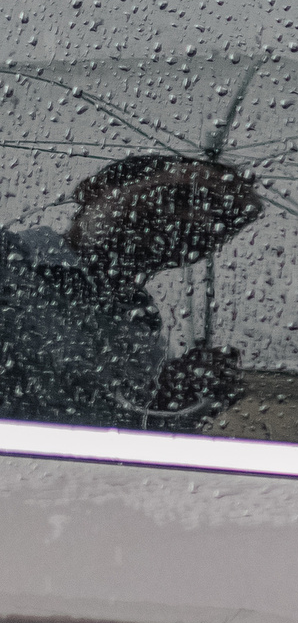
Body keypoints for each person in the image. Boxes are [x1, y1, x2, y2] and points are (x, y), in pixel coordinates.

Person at [0, 154, 260, 429]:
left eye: (223, 217)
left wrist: (173, 398)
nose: (198, 219)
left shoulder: (143, 327)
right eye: (180, 196)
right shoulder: (8, 260)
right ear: (94, 188)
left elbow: (116, 434)